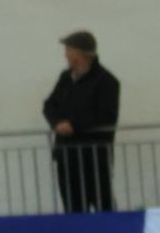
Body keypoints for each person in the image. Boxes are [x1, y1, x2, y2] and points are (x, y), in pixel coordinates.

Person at [43, 30, 120, 213]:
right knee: (73, 207)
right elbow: (49, 105)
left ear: (81, 54)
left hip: (93, 157)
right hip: (67, 155)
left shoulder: (106, 81)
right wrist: (57, 123)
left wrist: (73, 125)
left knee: (102, 204)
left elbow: (106, 115)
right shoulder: (65, 78)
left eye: (69, 50)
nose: (66, 54)